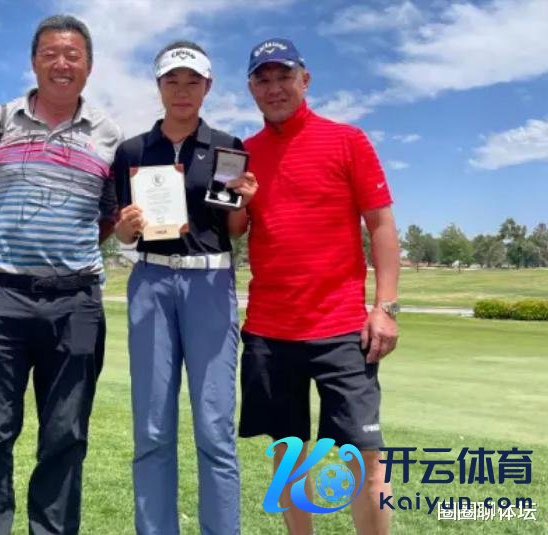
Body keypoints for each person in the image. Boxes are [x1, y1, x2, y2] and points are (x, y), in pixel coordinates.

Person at [0, 15, 122, 535]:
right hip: (1, 299)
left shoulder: (109, 137)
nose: (61, 63)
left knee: (65, 437)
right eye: (50, 53)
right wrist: (10, 251)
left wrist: (65, 253)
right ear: (34, 62)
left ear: (89, 67)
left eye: (73, 55)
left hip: (76, 304)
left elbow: (107, 218)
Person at [233, 38, 400, 535]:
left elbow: (381, 225)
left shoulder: (347, 140)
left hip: (342, 329)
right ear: (251, 89)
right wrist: (238, 201)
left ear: (304, 80)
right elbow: (235, 231)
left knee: (365, 460)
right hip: (270, 329)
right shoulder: (243, 154)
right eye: (263, 79)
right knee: (288, 456)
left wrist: (385, 307)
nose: (274, 87)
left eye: (283, 76)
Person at [111, 40, 257, 535]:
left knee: (214, 429)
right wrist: (125, 227)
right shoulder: (133, 151)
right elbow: (124, 234)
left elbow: (234, 229)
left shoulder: (227, 147)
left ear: (208, 87)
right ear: (158, 86)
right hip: (151, 280)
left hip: (210, 282)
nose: (182, 90)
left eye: (192, 81)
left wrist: (242, 203)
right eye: (171, 81)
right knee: (153, 428)